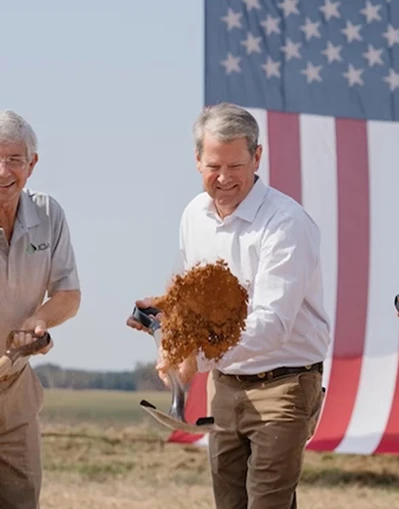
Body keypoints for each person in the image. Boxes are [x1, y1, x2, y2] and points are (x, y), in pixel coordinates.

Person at [126, 102, 331, 509]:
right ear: (197, 160)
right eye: (213, 166)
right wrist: (167, 315)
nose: (224, 178)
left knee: (268, 502)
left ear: (257, 157)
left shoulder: (286, 224)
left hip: (284, 385)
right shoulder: (193, 216)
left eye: (235, 166)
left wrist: (194, 356)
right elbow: (192, 295)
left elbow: (271, 325)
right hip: (224, 385)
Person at [0, 110, 82, 508]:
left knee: (21, 498)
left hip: (16, 387)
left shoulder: (49, 215)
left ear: (31, 165)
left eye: (14, 159)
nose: (3, 171)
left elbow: (68, 293)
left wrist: (39, 320)